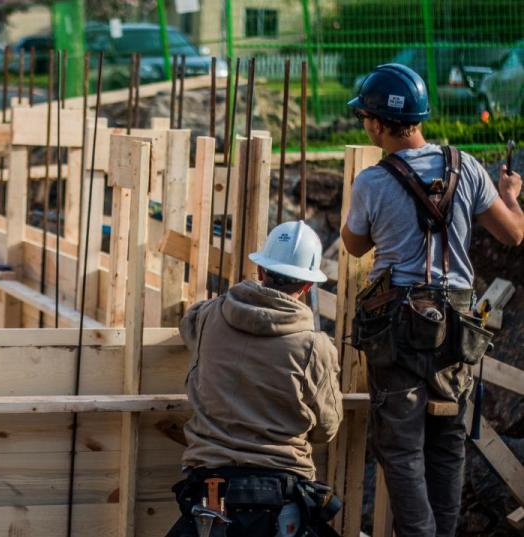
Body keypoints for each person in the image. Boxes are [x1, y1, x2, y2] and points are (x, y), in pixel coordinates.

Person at [342, 63, 524, 537]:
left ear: (380, 124)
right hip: (457, 322)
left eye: (366, 117)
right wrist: (511, 195)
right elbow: (513, 233)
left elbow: (355, 245)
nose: (365, 124)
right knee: (448, 440)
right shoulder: (467, 169)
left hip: (396, 324)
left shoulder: (372, 182)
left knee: (400, 445)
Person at [166, 220, 343, 537]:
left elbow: (187, 323)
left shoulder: (209, 316)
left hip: (210, 489)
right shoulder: (314, 348)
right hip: (281, 495)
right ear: (308, 287)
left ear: (260, 272)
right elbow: (326, 429)